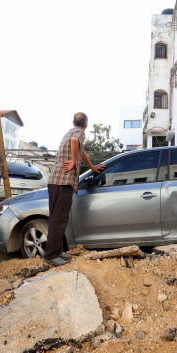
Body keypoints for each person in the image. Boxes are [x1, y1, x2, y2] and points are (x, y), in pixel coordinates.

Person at [43, 112, 106, 266]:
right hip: (62, 182)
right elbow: (75, 141)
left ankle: (56, 252)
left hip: (56, 181)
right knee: (59, 219)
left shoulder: (70, 131)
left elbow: (80, 150)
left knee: (57, 219)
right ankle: (51, 256)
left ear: (73, 122)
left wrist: (91, 166)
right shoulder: (79, 133)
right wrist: (73, 161)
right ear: (86, 123)